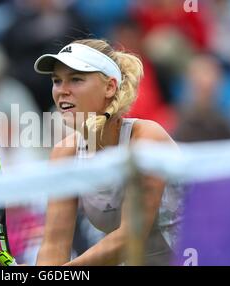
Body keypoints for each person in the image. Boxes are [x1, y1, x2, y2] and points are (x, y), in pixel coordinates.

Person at [33, 39, 182, 266]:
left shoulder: (147, 138)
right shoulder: (64, 154)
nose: (62, 90)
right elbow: (54, 245)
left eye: (76, 79)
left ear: (110, 87)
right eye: (57, 81)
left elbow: (130, 235)